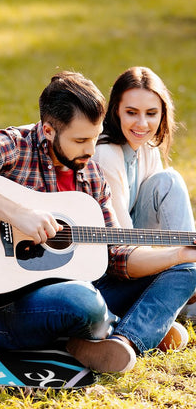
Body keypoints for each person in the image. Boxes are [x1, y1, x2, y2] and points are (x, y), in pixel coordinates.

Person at [0, 70, 196, 374]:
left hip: (83, 287)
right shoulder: (14, 145)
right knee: (83, 301)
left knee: (187, 270)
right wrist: (16, 213)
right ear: (49, 131)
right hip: (4, 306)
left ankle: (124, 340)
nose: (91, 151)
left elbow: (117, 255)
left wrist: (177, 254)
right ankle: (133, 325)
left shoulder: (90, 173)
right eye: (80, 140)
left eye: (95, 137)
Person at [93, 66, 196, 324]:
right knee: (169, 180)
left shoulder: (146, 148)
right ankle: (186, 288)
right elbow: (122, 242)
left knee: (168, 180)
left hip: (137, 248)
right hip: (111, 262)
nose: (142, 124)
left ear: (162, 114)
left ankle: (186, 283)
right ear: (115, 110)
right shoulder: (106, 153)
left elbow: (162, 219)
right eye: (131, 113)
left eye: (151, 114)